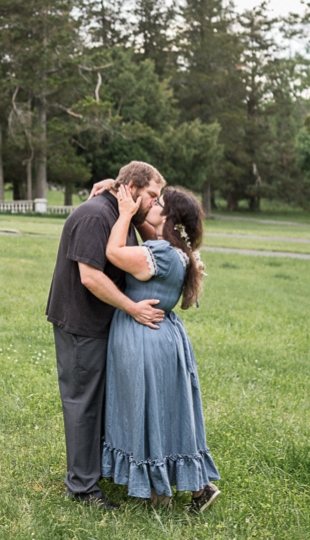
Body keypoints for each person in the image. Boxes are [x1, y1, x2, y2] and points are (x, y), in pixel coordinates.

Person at [45, 161, 166, 510]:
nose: (155, 203)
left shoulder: (119, 213)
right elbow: (90, 277)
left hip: (101, 324)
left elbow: (154, 239)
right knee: (83, 405)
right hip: (81, 324)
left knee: (98, 404)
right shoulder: (96, 216)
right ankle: (82, 490)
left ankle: (92, 475)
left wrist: (127, 201)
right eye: (152, 196)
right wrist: (133, 308)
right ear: (131, 187)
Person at [102, 184, 221, 513]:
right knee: (165, 411)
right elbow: (148, 227)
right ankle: (182, 488)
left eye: (159, 202)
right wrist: (114, 188)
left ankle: (161, 490)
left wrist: (125, 213)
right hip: (164, 336)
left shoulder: (164, 254)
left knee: (149, 410)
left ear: (168, 217)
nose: (152, 203)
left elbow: (113, 253)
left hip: (147, 337)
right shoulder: (176, 248)